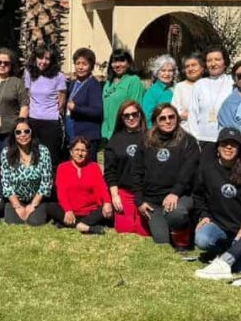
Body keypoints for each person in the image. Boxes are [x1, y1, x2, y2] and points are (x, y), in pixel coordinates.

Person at [192, 127, 241, 268]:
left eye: (233, 144)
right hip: (218, 224)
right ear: (217, 148)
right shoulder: (207, 169)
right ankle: (224, 250)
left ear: (240, 149)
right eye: (224, 143)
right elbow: (198, 195)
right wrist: (204, 215)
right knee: (202, 238)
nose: (228, 147)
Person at [132, 103, 200, 246]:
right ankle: (170, 226)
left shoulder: (188, 141)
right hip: (153, 202)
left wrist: (175, 192)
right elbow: (137, 172)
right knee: (161, 240)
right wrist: (140, 201)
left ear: (177, 118)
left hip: (179, 196)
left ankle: (184, 234)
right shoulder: (145, 141)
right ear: (156, 121)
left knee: (177, 214)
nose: (168, 121)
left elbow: (188, 172)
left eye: (171, 117)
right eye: (162, 118)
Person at [104, 100, 149, 236]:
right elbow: (110, 171)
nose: (131, 118)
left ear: (140, 115)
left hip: (146, 192)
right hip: (125, 192)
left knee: (144, 232)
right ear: (121, 118)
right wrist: (115, 195)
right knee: (125, 229)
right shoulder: (115, 140)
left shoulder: (151, 136)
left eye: (134, 114)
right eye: (126, 115)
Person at [0, 118, 54, 226]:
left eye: (26, 131)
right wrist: (18, 206)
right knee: (14, 222)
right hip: (16, 198)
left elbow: (46, 182)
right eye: (18, 132)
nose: (23, 135)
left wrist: (33, 205)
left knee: (35, 222)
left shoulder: (43, 151)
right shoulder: (6, 152)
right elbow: (6, 183)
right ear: (14, 135)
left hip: (37, 198)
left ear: (32, 132)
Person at [53, 137, 112, 234]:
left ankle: (76, 224)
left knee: (110, 206)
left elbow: (102, 187)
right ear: (71, 152)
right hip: (70, 211)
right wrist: (68, 210)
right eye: (76, 150)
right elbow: (61, 192)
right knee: (51, 207)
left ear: (88, 152)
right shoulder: (62, 168)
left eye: (83, 150)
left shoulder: (94, 167)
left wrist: (107, 202)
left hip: (90, 212)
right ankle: (87, 227)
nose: (80, 153)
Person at [24, 44, 66, 163]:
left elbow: (61, 99)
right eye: (41, 58)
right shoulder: (29, 73)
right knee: (33, 155)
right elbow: (28, 96)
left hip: (51, 122)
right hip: (33, 120)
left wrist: (55, 113)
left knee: (50, 157)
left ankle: (50, 181)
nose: (44, 61)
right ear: (35, 58)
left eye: (47, 59)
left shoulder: (58, 76)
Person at [0, 48, 29, 154]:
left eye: (6, 63)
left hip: (11, 130)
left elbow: (24, 104)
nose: (2, 65)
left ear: (11, 65)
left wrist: (20, 124)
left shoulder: (17, 83)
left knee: (8, 158)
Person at [190, 46, 233, 152]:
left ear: (225, 62)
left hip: (227, 139)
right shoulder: (199, 84)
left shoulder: (232, 82)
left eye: (217, 59)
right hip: (203, 139)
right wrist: (195, 139)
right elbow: (192, 113)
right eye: (209, 60)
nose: (213, 64)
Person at [65, 48, 103, 159]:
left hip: (87, 136)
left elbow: (97, 111)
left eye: (84, 64)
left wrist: (76, 108)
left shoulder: (93, 84)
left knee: (87, 171)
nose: (80, 67)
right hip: (72, 134)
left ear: (91, 66)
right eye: (78, 63)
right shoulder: (73, 83)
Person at [101, 49, 145, 141]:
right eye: (114, 61)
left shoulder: (134, 81)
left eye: (121, 61)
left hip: (125, 132)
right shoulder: (108, 83)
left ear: (128, 63)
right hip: (108, 133)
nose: (117, 65)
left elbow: (136, 107)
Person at [171, 53, 204, 136]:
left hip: (205, 134)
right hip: (185, 133)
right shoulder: (180, 87)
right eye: (187, 66)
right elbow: (175, 111)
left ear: (202, 67)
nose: (190, 68)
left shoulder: (208, 85)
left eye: (193, 65)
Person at [142, 55, 177, 129]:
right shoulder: (152, 92)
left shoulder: (177, 88)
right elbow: (147, 117)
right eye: (163, 70)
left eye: (170, 71)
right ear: (157, 72)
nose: (167, 74)